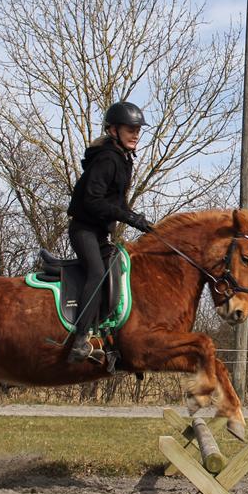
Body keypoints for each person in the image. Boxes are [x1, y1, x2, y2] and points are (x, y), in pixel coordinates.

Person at [65, 101, 154, 363]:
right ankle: (79, 339)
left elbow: (117, 203)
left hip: (100, 234)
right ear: (114, 130)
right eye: (130, 129)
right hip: (84, 230)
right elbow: (93, 200)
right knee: (97, 272)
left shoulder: (124, 160)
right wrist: (127, 215)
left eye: (138, 130)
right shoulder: (106, 159)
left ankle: (105, 336)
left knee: (120, 270)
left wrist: (139, 222)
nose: (136, 134)